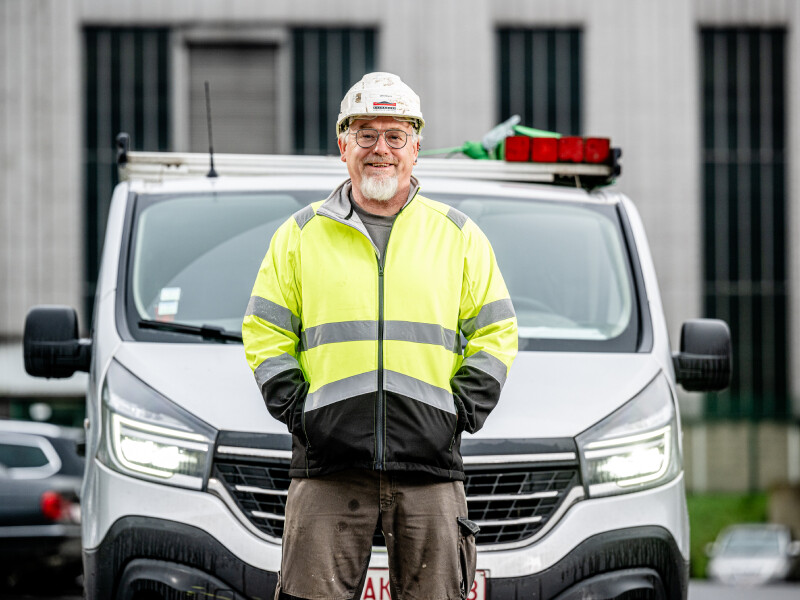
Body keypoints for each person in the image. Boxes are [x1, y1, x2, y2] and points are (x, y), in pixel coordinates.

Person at [242, 72, 518, 600]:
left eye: (395, 136)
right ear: (343, 145)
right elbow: (265, 331)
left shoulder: (457, 235)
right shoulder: (299, 235)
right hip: (327, 466)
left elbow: (496, 332)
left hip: (430, 465)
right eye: (366, 134)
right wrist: (302, 414)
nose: (381, 150)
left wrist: (458, 412)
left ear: (416, 147)